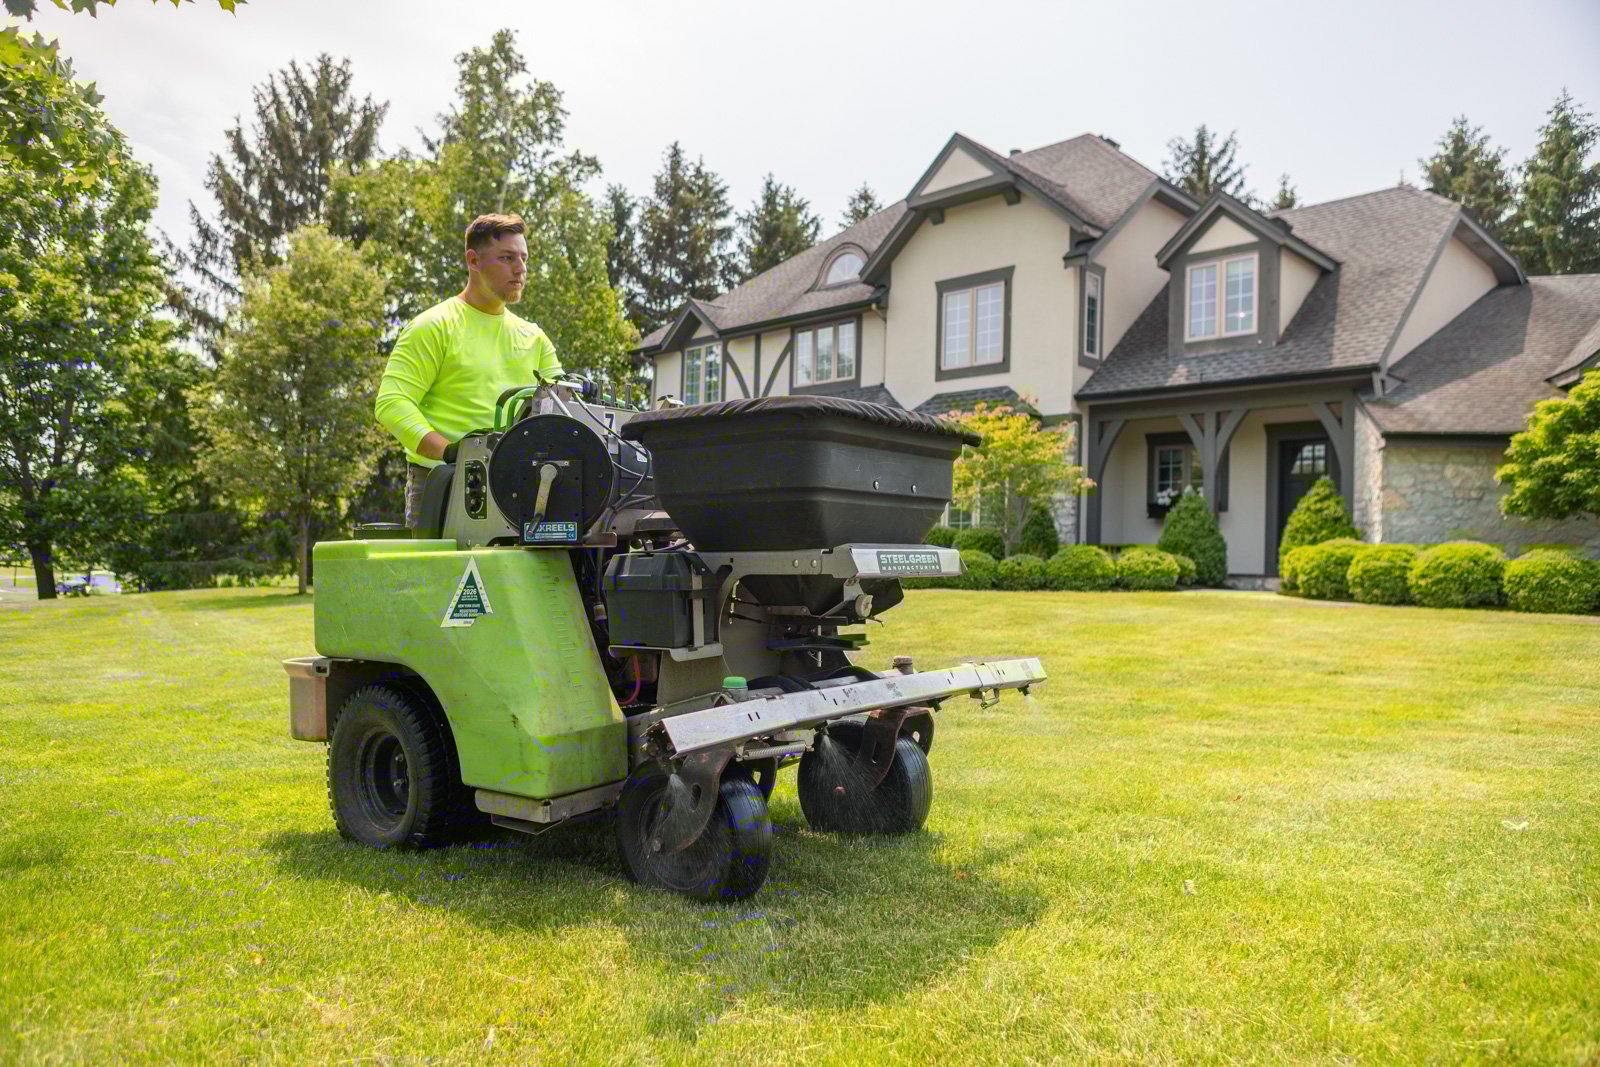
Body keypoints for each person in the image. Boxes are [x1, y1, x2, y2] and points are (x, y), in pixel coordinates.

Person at [375, 213, 564, 527]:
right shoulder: (433, 327)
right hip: (443, 481)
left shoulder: (535, 340)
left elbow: (562, 410)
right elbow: (392, 404)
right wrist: (451, 452)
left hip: (521, 487)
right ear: (473, 261)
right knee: (437, 578)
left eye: (524, 258)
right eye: (507, 258)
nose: (521, 269)